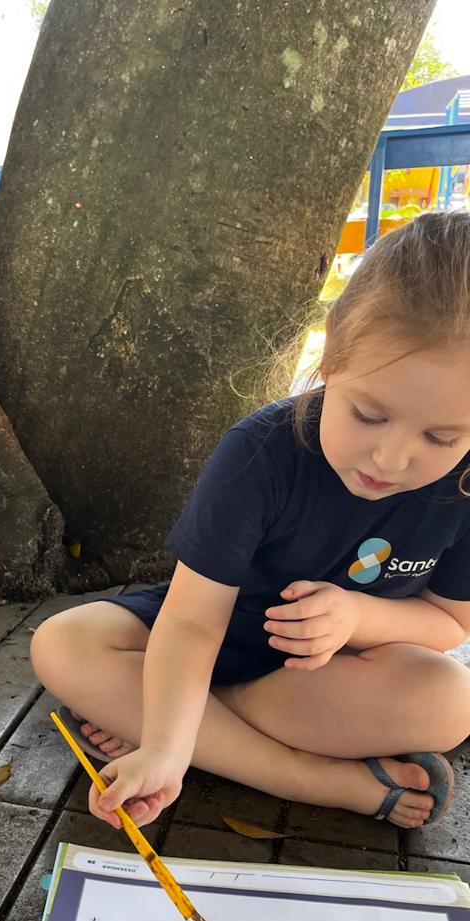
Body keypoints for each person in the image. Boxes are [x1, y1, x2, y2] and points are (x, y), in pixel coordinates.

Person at [31, 211, 470, 833]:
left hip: (318, 679)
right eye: (369, 415)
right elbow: (190, 621)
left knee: (450, 702)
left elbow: (450, 622)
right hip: (209, 630)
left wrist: (356, 615)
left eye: (441, 437)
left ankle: (183, 720)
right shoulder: (260, 450)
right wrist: (166, 751)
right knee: (62, 643)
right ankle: (311, 777)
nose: (391, 459)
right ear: (331, 355)